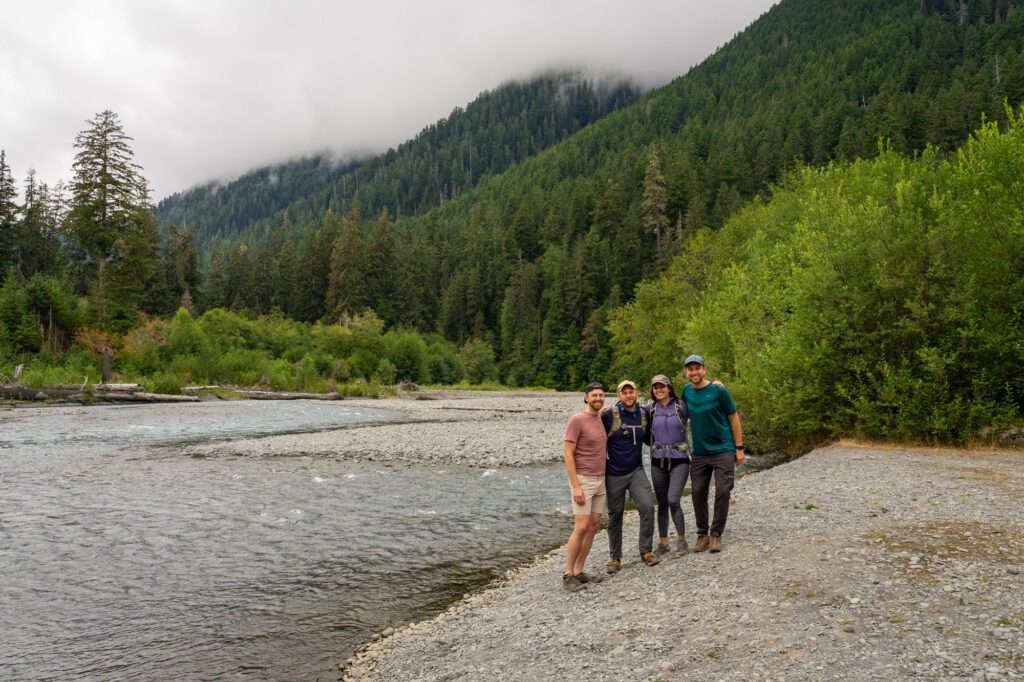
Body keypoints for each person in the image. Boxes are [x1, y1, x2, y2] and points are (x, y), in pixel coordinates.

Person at [682, 354, 745, 553]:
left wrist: (739, 447)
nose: (694, 372)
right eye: (690, 369)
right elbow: (672, 410)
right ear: (686, 372)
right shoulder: (686, 392)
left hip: (723, 449)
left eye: (697, 368)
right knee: (698, 492)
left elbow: (733, 416)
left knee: (723, 491)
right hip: (700, 452)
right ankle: (702, 534)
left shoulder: (719, 390)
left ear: (704, 369)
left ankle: (716, 534)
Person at [601, 380, 660, 574]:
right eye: (624, 392)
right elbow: (594, 433)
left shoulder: (643, 413)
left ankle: (646, 550)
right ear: (619, 395)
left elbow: (652, 434)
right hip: (613, 473)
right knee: (615, 515)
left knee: (647, 507)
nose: (628, 395)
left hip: (636, 470)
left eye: (631, 392)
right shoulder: (609, 414)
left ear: (636, 393)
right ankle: (615, 557)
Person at [561, 382, 609, 591]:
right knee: (580, 527)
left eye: (601, 395)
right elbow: (568, 454)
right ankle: (567, 574)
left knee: (593, 526)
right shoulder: (577, 420)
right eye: (594, 395)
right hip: (583, 480)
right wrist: (576, 486)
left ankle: (579, 571)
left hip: (601, 479)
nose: (598, 398)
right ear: (586, 397)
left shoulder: (601, 417)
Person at [647, 374, 692, 558]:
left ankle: (682, 541)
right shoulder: (650, 409)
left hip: (680, 459)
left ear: (669, 388)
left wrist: (716, 386)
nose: (659, 390)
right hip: (658, 461)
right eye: (655, 387)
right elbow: (629, 412)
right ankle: (663, 543)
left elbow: (700, 408)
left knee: (673, 499)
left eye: (662, 386)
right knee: (662, 503)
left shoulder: (681, 406)